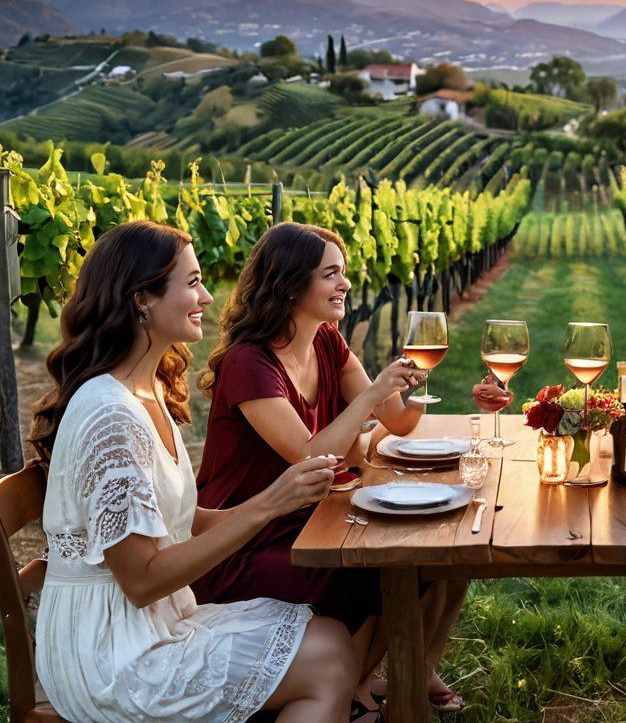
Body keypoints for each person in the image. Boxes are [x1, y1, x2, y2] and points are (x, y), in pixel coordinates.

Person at [30, 220, 361, 723]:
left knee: (332, 639)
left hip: (155, 622)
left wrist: (280, 497)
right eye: (192, 283)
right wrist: (271, 504)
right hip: (113, 655)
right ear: (142, 299)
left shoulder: (147, 391)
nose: (208, 295)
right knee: (328, 663)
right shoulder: (109, 416)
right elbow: (141, 580)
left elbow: (182, 519)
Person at [194, 222, 511, 718]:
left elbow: (399, 421)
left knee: (440, 555)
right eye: (331, 274)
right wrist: (371, 391)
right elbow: (312, 455)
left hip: (307, 518)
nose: (344, 284)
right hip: (242, 537)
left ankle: (395, 673)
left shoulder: (326, 340)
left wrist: (417, 383)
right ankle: (361, 690)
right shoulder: (247, 363)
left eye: (343, 273)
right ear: (290, 283)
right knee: (375, 571)